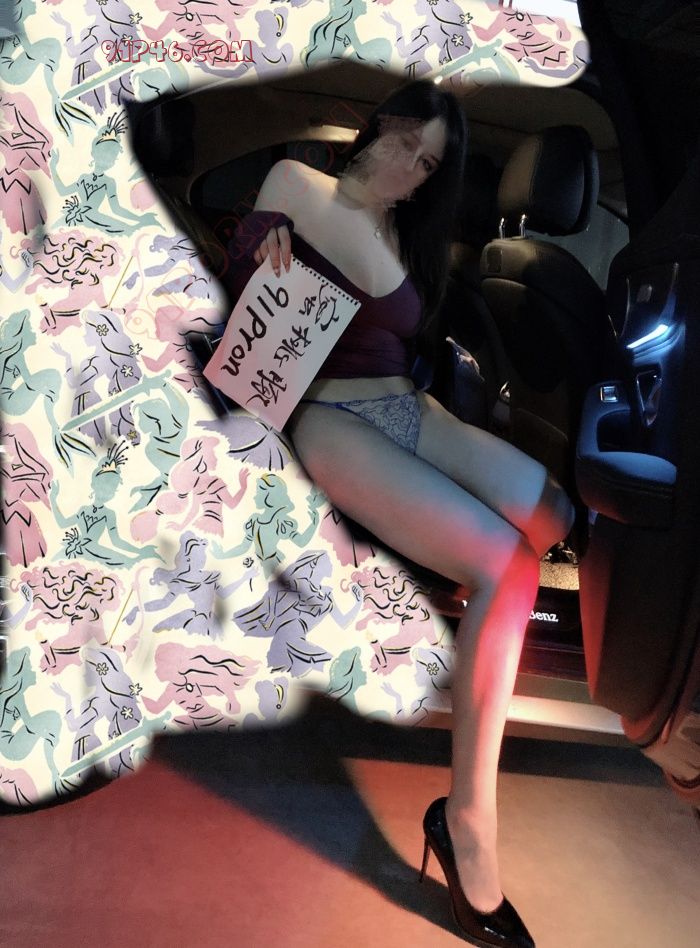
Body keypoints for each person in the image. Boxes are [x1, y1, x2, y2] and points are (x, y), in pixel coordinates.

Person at [222, 79, 575, 948]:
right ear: (378, 124)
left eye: (429, 165)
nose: (412, 168)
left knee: (557, 516)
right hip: (330, 419)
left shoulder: (402, 231)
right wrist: (261, 245)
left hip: (409, 408)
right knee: (510, 567)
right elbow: (246, 288)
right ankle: (469, 824)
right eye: (407, 144)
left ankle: (480, 636)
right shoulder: (296, 184)